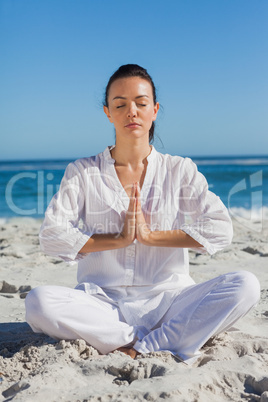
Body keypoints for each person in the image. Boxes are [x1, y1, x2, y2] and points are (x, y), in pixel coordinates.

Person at [25, 64, 260, 364]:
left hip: (171, 302)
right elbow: (52, 236)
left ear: (155, 110)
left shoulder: (179, 170)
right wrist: (119, 238)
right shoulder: (83, 172)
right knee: (38, 302)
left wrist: (151, 237)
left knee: (246, 285)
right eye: (120, 104)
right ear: (108, 112)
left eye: (141, 103)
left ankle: (148, 343)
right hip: (103, 304)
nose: (131, 112)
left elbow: (220, 229)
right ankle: (139, 340)